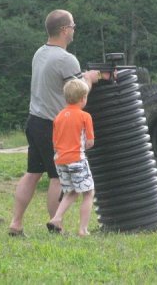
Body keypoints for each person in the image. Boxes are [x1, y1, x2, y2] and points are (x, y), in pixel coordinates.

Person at [8, 9, 104, 237]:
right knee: (57, 178)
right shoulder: (66, 59)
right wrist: (89, 78)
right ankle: (56, 226)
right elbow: (78, 94)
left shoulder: (39, 53)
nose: (74, 29)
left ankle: (16, 223)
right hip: (53, 126)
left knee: (32, 173)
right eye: (72, 25)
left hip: (34, 121)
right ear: (63, 30)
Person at [46, 79, 95, 237]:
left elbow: (54, 142)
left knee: (71, 192)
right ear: (83, 98)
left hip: (60, 160)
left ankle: (56, 218)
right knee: (88, 193)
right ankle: (83, 229)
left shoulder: (58, 117)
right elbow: (90, 142)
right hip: (77, 159)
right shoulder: (85, 116)